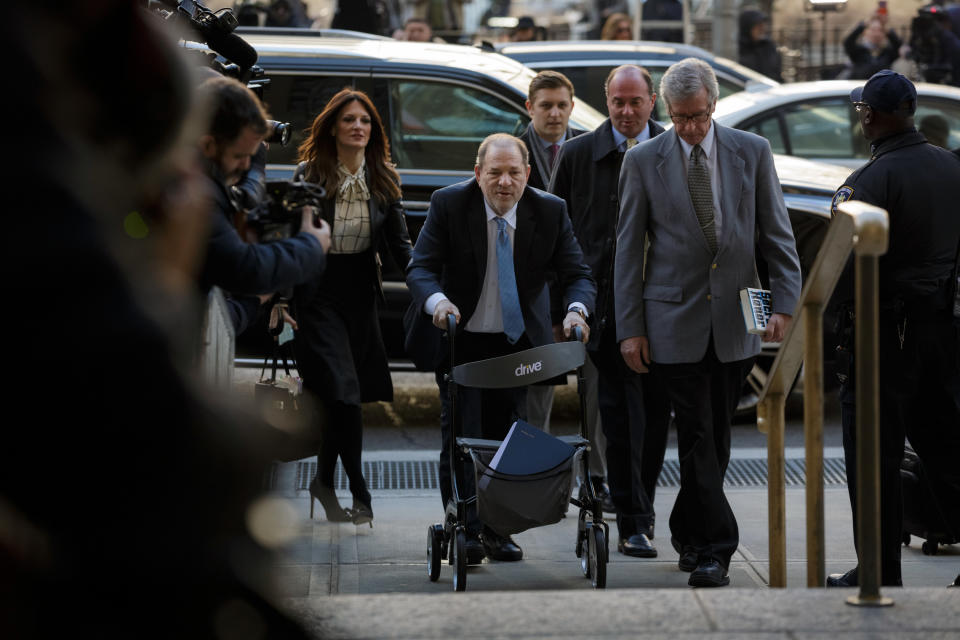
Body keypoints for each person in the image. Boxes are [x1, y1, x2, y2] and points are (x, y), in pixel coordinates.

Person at [616, 57, 802, 587]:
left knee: (715, 435)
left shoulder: (752, 151)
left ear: (714, 105)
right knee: (698, 427)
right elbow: (629, 251)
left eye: (697, 116)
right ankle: (716, 549)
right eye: (679, 118)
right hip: (671, 317)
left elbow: (776, 235)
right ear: (666, 110)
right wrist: (630, 326)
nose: (690, 128)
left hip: (738, 314)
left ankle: (686, 530)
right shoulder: (644, 160)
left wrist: (782, 304)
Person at [406, 133, 595, 563]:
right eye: (495, 173)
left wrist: (576, 310)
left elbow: (577, 273)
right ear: (478, 174)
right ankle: (467, 528)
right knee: (462, 435)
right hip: (461, 334)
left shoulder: (549, 210)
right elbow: (421, 267)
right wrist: (438, 303)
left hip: (517, 344)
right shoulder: (449, 204)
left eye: (514, 173)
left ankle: (498, 529)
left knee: (509, 436)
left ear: (528, 174)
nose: (505, 182)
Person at [826, 70, 960, 588]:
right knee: (948, 450)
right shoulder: (951, 167)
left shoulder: (869, 182)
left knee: (873, 460)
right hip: (942, 332)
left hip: (882, 339)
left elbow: (839, 268)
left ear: (869, 116)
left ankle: (879, 572)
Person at [550, 65, 671, 559]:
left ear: (652, 102)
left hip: (666, 308)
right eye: (617, 102)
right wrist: (568, 304)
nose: (625, 112)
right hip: (605, 311)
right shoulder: (579, 154)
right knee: (620, 420)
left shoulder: (673, 149)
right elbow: (557, 235)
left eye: (635, 102)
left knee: (656, 420)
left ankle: (642, 506)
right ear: (606, 100)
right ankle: (634, 520)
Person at [292, 89, 414, 526]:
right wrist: (282, 301)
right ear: (333, 127)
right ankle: (359, 487)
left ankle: (323, 482)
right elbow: (292, 240)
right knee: (344, 391)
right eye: (349, 120)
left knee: (338, 398)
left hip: (360, 295)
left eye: (365, 120)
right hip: (319, 293)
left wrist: (431, 289)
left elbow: (401, 246)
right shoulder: (309, 174)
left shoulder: (382, 176)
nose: (358, 126)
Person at [517, 70, 607, 502]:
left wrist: (576, 303)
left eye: (562, 105)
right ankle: (535, 480)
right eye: (545, 105)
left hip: (584, 290)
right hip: (535, 296)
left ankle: (596, 480)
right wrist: (551, 310)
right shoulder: (513, 155)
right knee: (537, 393)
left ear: (573, 108)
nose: (554, 113)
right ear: (529, 108)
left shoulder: (588, 151)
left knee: (596, 388)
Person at [196, 77, 331, 335]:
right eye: (239, 155)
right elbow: (245, 268)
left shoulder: (198, 180)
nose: (245, 166)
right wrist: (311, 244)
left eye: (251, 156)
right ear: (208, 146)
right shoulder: (192, 192)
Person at [842, 14, 902, 80]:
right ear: (865, 32)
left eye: (880, 30)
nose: (876, 33)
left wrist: (887, 28)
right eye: (873, 30)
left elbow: (898, 45)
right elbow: (848, 42)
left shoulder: (887, 53)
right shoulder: (859, 51)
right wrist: (863, 25)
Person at [737, 9, 783, 82]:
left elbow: (776, 72)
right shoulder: (738, 49)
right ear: (747, 27)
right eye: (758, 25)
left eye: (762, 24)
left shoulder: (768, 46)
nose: (762, 28)